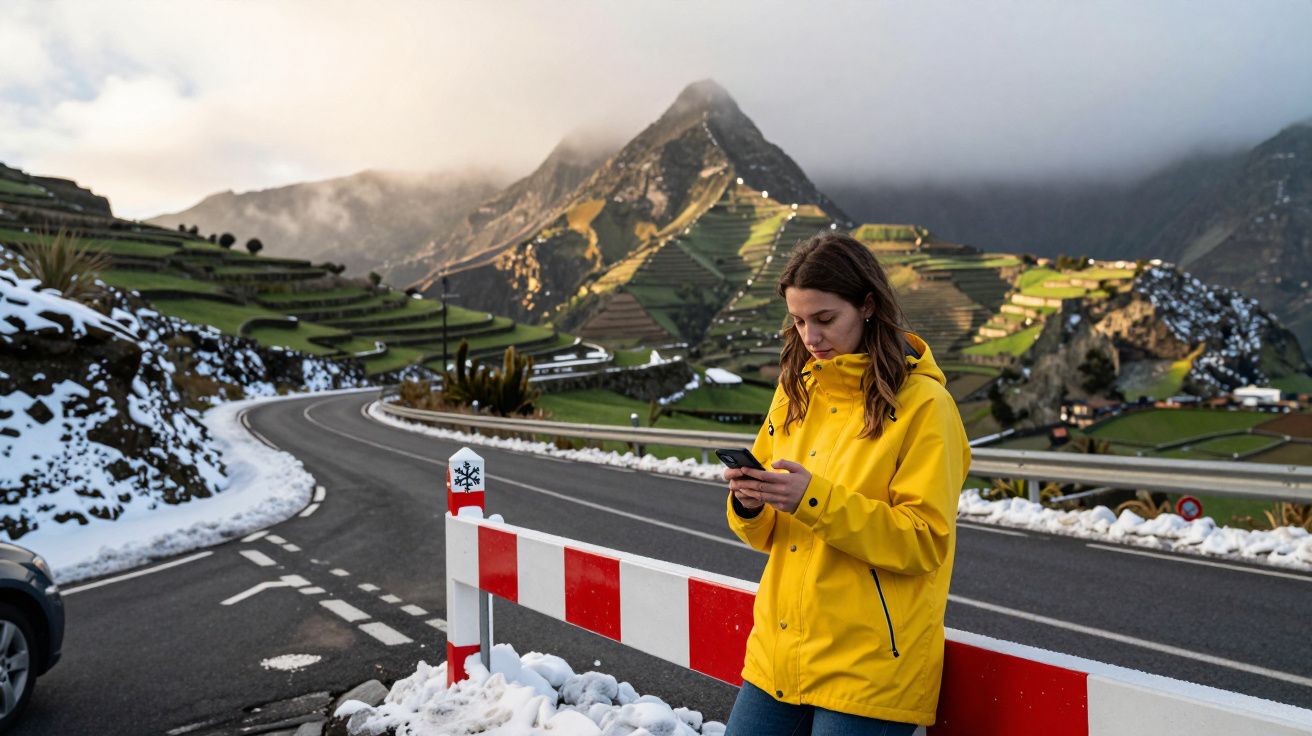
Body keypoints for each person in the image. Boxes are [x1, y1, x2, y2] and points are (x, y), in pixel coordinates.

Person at [723, 231, 971, 735]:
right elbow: (768, 535)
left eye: (824, 319)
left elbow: (924, 541)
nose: (809, 337)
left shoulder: (926, 407)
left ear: (869, 306)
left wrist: (812, 499)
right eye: (797, 320)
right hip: (777, 657)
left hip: (869, 673)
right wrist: (750, 504)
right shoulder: (796, 392)